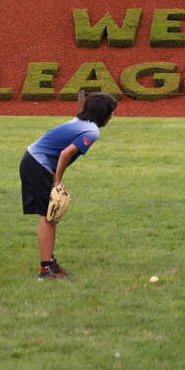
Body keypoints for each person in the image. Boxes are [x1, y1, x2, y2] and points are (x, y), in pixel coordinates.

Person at [20, 92, 118, 280]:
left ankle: (49, 263)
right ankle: (45, 269)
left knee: (52, 214)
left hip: (36, 162)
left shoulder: (80, 123)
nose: (112, 116)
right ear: (104, 114)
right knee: (48, 215)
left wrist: (54, 177)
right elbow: (65, 154)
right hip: (37, 164)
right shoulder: (92, 131)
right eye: (112, 112)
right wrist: (57, 181)